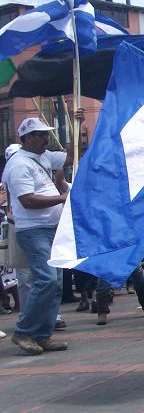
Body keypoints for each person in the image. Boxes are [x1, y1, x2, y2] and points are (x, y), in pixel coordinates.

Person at [2, 118, 68, 355]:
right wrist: (61, 199)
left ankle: (42, 334)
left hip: (52, 228)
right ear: (27, 138)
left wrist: (78, 124)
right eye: (40, 135)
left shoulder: (42, 156)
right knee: (46, 280)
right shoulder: (19, 164)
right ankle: (24, 331)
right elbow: (27, 201)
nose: (46, 139)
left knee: (56, 284)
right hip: (34, 229)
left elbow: (69, 157)